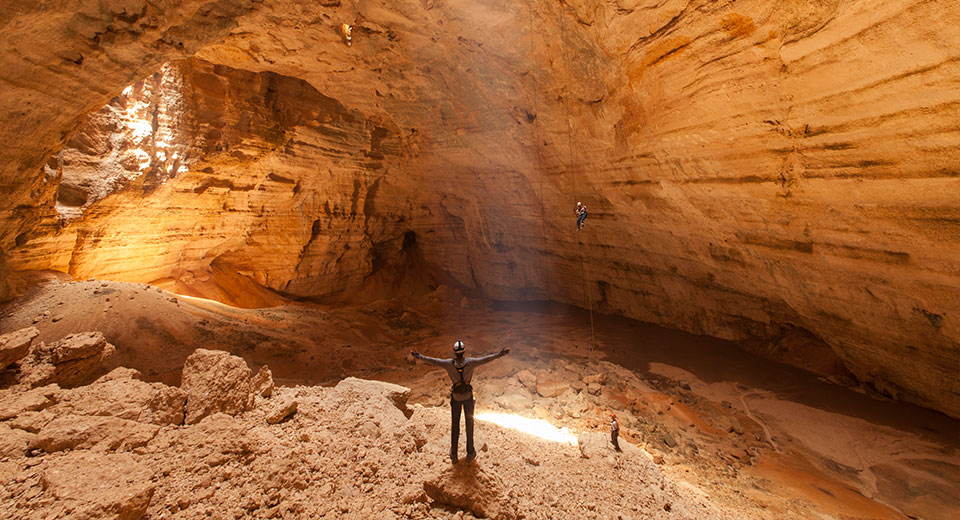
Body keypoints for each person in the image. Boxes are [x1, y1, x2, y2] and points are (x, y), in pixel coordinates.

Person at [411, 340, 510, 463]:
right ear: (464, 352)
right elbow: (486, 359)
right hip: (468, 397)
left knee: (455, 425)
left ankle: (454, 455)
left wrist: (418, 356)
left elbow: (434, 361)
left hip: (456, 398)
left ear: (454, 352)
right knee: (469, 425)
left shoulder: (448, 364)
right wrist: (500, 354)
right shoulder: (471, 362)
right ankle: (470, 453)